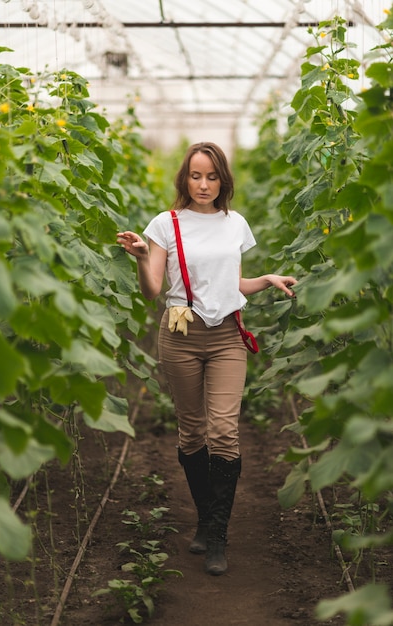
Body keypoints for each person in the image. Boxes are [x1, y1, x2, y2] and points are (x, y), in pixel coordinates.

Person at [117, 142, 297, 576]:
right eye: (196, 176)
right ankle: (204, 516)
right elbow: (152, 289)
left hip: (227, 335)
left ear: (223, 180)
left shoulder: (235, 223)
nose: (203, 184)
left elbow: (227, 281)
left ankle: (217, 533)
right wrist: (142, 258)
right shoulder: (166, 223)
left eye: (212, 176)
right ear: (184, 178)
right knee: (193, 431)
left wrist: (266, 279)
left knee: (223, 431)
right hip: (180, 334)